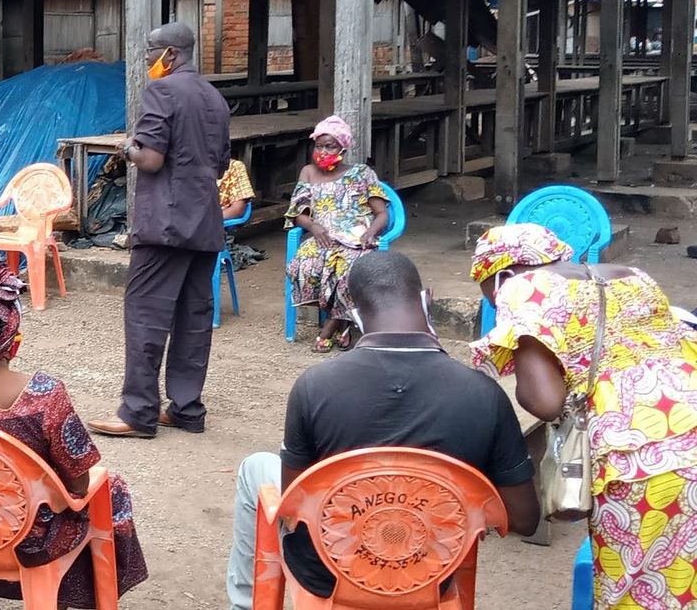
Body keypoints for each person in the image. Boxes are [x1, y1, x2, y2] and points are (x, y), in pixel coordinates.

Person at [225, 251, 539, 610]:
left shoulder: (315, 386)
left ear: (355, 315)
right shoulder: (484, 395)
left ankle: (244, 605)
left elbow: (293, 507)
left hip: (327, 574)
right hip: (431, 573)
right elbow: (524, 519)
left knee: (255, 468)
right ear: (426, 300)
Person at [470, 224, 697, 609]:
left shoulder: (523, 289)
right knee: (684, 576)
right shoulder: (634, 277)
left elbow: (545, 401)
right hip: (688, 424)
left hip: (636, 457)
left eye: (490, 293)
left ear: (503, 274)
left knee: (634, 588)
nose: (495, 301)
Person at [0, 263, 148, 609]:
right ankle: (56, 599)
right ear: (11, 333)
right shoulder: (43, 395)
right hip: (27, 543)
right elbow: (77, 486)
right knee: (103, 492)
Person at [88, 23, 230, 439]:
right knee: (193, 318)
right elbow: (221, 165)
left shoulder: (162, 91)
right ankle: (186, 409)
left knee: (147, 316)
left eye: (150, 51)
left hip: (164, 225)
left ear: (170, 53)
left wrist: (128, 146)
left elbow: (151, 160)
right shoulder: (216, 99)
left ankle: (139, 412)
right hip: (204, 223)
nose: (147, 59)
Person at [284, 115, 389, 353]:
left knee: (350, 270)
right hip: (323, 236)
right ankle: (344, 322)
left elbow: (382, 213)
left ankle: (328, 329)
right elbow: (297, 212)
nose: (323, 151)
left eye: (329, 146)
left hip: (355, 237)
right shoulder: (308, 172)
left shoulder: (361, 173)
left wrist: (371, 232)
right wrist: (313, 226)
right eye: (319, 145)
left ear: (343, 147)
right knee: (304, 265)